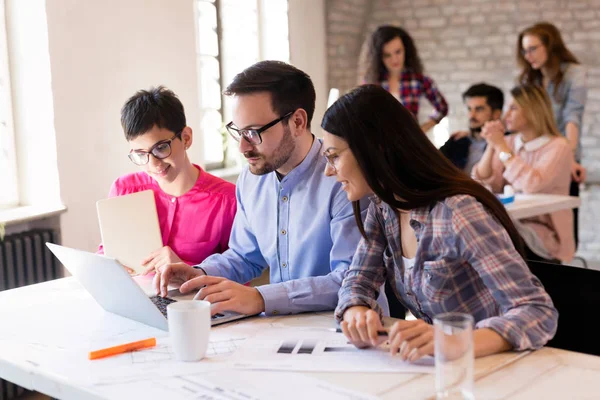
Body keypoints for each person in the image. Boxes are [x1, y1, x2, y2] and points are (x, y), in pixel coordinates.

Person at [321, 84, 557, 362]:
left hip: (493, 369)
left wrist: (456, 341)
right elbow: (358, 280)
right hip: (442, 371)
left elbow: (537, 311)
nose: (328, 170)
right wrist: (355, 310)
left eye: (334, 156)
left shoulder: (458, 212)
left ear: (374, 148)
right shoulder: (382, 208)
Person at [153, 61, 381, 318]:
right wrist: (200, 273)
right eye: (238, 131)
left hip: (344, 329)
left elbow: (350, 280)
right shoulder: (251, 180)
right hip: (280, 328)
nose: (242, 147)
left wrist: (262, 298)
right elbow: (244, 257)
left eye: (252, 132)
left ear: (297, 121)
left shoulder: (344, 181)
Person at [98, 86, 237, 269]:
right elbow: (107, 251)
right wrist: (108, 265)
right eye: (141, 154)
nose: (153, 164)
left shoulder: (228, 200)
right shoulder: (124, 189)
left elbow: (238, 273)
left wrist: (186, 268)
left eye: (161, 148)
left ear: (186, 138)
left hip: (196, 296)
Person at [472, 84, 574, 263]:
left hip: (545, 234)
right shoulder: (509, 142)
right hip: (513, 223)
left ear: (532, 110)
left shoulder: (558, 146)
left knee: (492, 236)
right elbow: (483, 182)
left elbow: (531, 185)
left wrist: (501, 146)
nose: (506, 116)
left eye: (513, 108)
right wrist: (492, 144)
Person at [518, 21, 587, 246]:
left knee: (562, 225)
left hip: (563, 152)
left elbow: (572, 117)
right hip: (536, 157)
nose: (528, 56)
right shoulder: (531, 78)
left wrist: (569, 157)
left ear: (550, 45)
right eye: (524, 50)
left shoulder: (573, 74)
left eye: (533, 48)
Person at [361, 25, 448, 133]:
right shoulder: (371, 82)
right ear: (379, 57)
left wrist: (422, 130)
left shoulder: (418, 80)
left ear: (406, 50)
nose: (394, 59)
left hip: (409, 143)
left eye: (398, 52)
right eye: (387, 55)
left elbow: (442, 107)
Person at [439, 83, 504, 174]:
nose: (471, 115)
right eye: (469, 109)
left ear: (496, 114)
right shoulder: (457, 141)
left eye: (479, 109)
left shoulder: (508, 143)